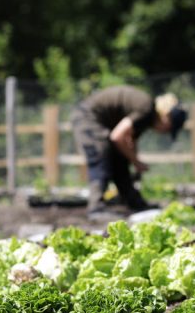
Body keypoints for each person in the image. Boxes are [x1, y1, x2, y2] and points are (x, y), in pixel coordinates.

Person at [71, 85, 188, 218]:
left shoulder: (147, 117)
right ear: (166, 118)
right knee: (101, 156)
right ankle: (96, 207)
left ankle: (134, 202)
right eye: (169, 128)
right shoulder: (146, 110)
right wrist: (136, 162)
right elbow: (117, 136)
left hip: (101, 122)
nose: (165, 132)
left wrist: (133, 160)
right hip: (88, 118)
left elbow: (129, 141)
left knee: (120, 159)